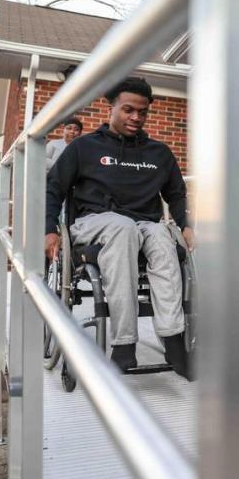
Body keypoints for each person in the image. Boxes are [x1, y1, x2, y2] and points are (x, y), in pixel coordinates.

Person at [44, 78, 194, 379]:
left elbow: (176, 193)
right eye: (128, 110)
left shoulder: (159, 153)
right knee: (123, 227)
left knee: (163, 237)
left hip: (144, 224)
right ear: (110, 106)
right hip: (94, 222)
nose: (136, 118)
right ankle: (124, 343)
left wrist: (186, 225)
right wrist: (50, 229)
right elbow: (54, 188)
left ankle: (174, 338)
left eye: (142, 112)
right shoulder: (84, 147)